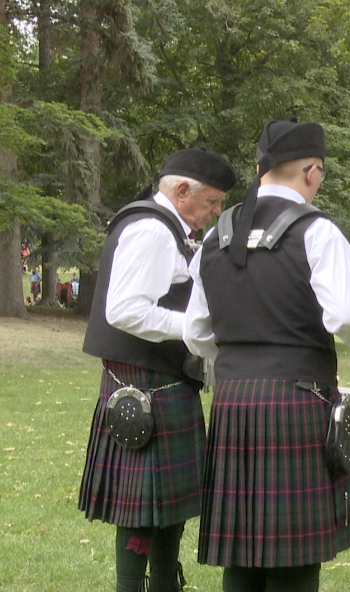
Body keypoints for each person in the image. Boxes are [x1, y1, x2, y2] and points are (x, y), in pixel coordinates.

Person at [184, 118, 350, 592]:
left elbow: (195, 331)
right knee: (294, 560)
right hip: (298, 403)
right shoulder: (318, 232)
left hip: (232, 402)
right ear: (312, 172)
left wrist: (241, 360)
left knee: (240, 552)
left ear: (259, 169)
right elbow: (344, 316)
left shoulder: (216, 235)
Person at [79, 147, 238, 592]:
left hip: (162, 386)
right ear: (182, 190)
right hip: (145, 391)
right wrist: (192, 328)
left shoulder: (168, 229)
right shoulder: (151, 230)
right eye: (212, 202)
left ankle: (166, 584)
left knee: (168, 510)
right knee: (140, 512)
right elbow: (126, 310)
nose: (215, 212)